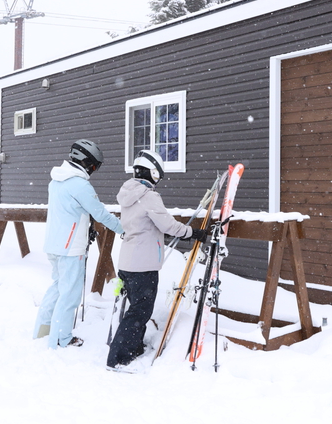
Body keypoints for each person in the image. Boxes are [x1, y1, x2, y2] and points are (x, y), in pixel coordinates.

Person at [106, 150, 208, 371]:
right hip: (143, 265)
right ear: (152, 172)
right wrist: (193, 233)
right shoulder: (148, 195)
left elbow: (146, 224)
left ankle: (133, 347)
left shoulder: (128, 193)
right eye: (158, 176)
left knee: (136, 307)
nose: (158, 181)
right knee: (140, 311)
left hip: (127, 262)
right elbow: (168, 225)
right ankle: (118, 357)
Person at [33, 139, 124, 349]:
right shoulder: (81, 185)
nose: (94, 170)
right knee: (70, 295)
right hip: (71, 247)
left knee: (57, 288)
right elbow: (101, 213)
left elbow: (71, 211)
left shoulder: (56, 180)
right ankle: (61, 339)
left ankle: (42, 331)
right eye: (94, 166)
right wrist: (124, 229)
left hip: (54, 244)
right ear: (87, 162)